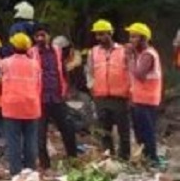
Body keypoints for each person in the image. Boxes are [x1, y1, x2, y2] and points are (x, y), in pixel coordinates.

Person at [30, 24, 78, 169]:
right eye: (37, 36)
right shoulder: (31, 52)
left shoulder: (57, 51)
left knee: (68, 129)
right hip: (40, 99)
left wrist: (66, 90)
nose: (40, 38)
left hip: (57, 97)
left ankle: (73, 160)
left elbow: (62, 71)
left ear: (49, 36)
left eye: (42, 35)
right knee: (40, 135)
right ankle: (45, 165)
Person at [87, 19, 131, 161]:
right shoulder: (93, 52)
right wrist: (91, 88)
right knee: (104, 131)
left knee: (123, 131)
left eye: (102, 34)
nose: (99, 38)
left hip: (120, 97)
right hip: (101, 97)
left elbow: (130, 71)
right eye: (97, 35)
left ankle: (124, 158)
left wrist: (130, 92)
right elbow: (89, 71)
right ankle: (108, 158)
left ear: (110, 33)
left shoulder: (123, 51)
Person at [2, 33, 42, 175]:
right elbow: (39, 85)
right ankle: (30, 170)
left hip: (12, 106)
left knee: (14, 141)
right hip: (31, 106)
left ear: (13, 46)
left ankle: (15, 172)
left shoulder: (6, 62)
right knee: (31, 140)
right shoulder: (35, 64)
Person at [126, 22, 163, 167]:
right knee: (140, 132)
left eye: (134, 37)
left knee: (147, 132)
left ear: (144, 39)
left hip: (147, 100)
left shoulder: (148, 54)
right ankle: (144, 158)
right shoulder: (141, 54)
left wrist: (130, 58)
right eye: (130, 37)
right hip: (139, 99)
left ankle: (152, 160)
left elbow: (139, 74)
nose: (131, 40)